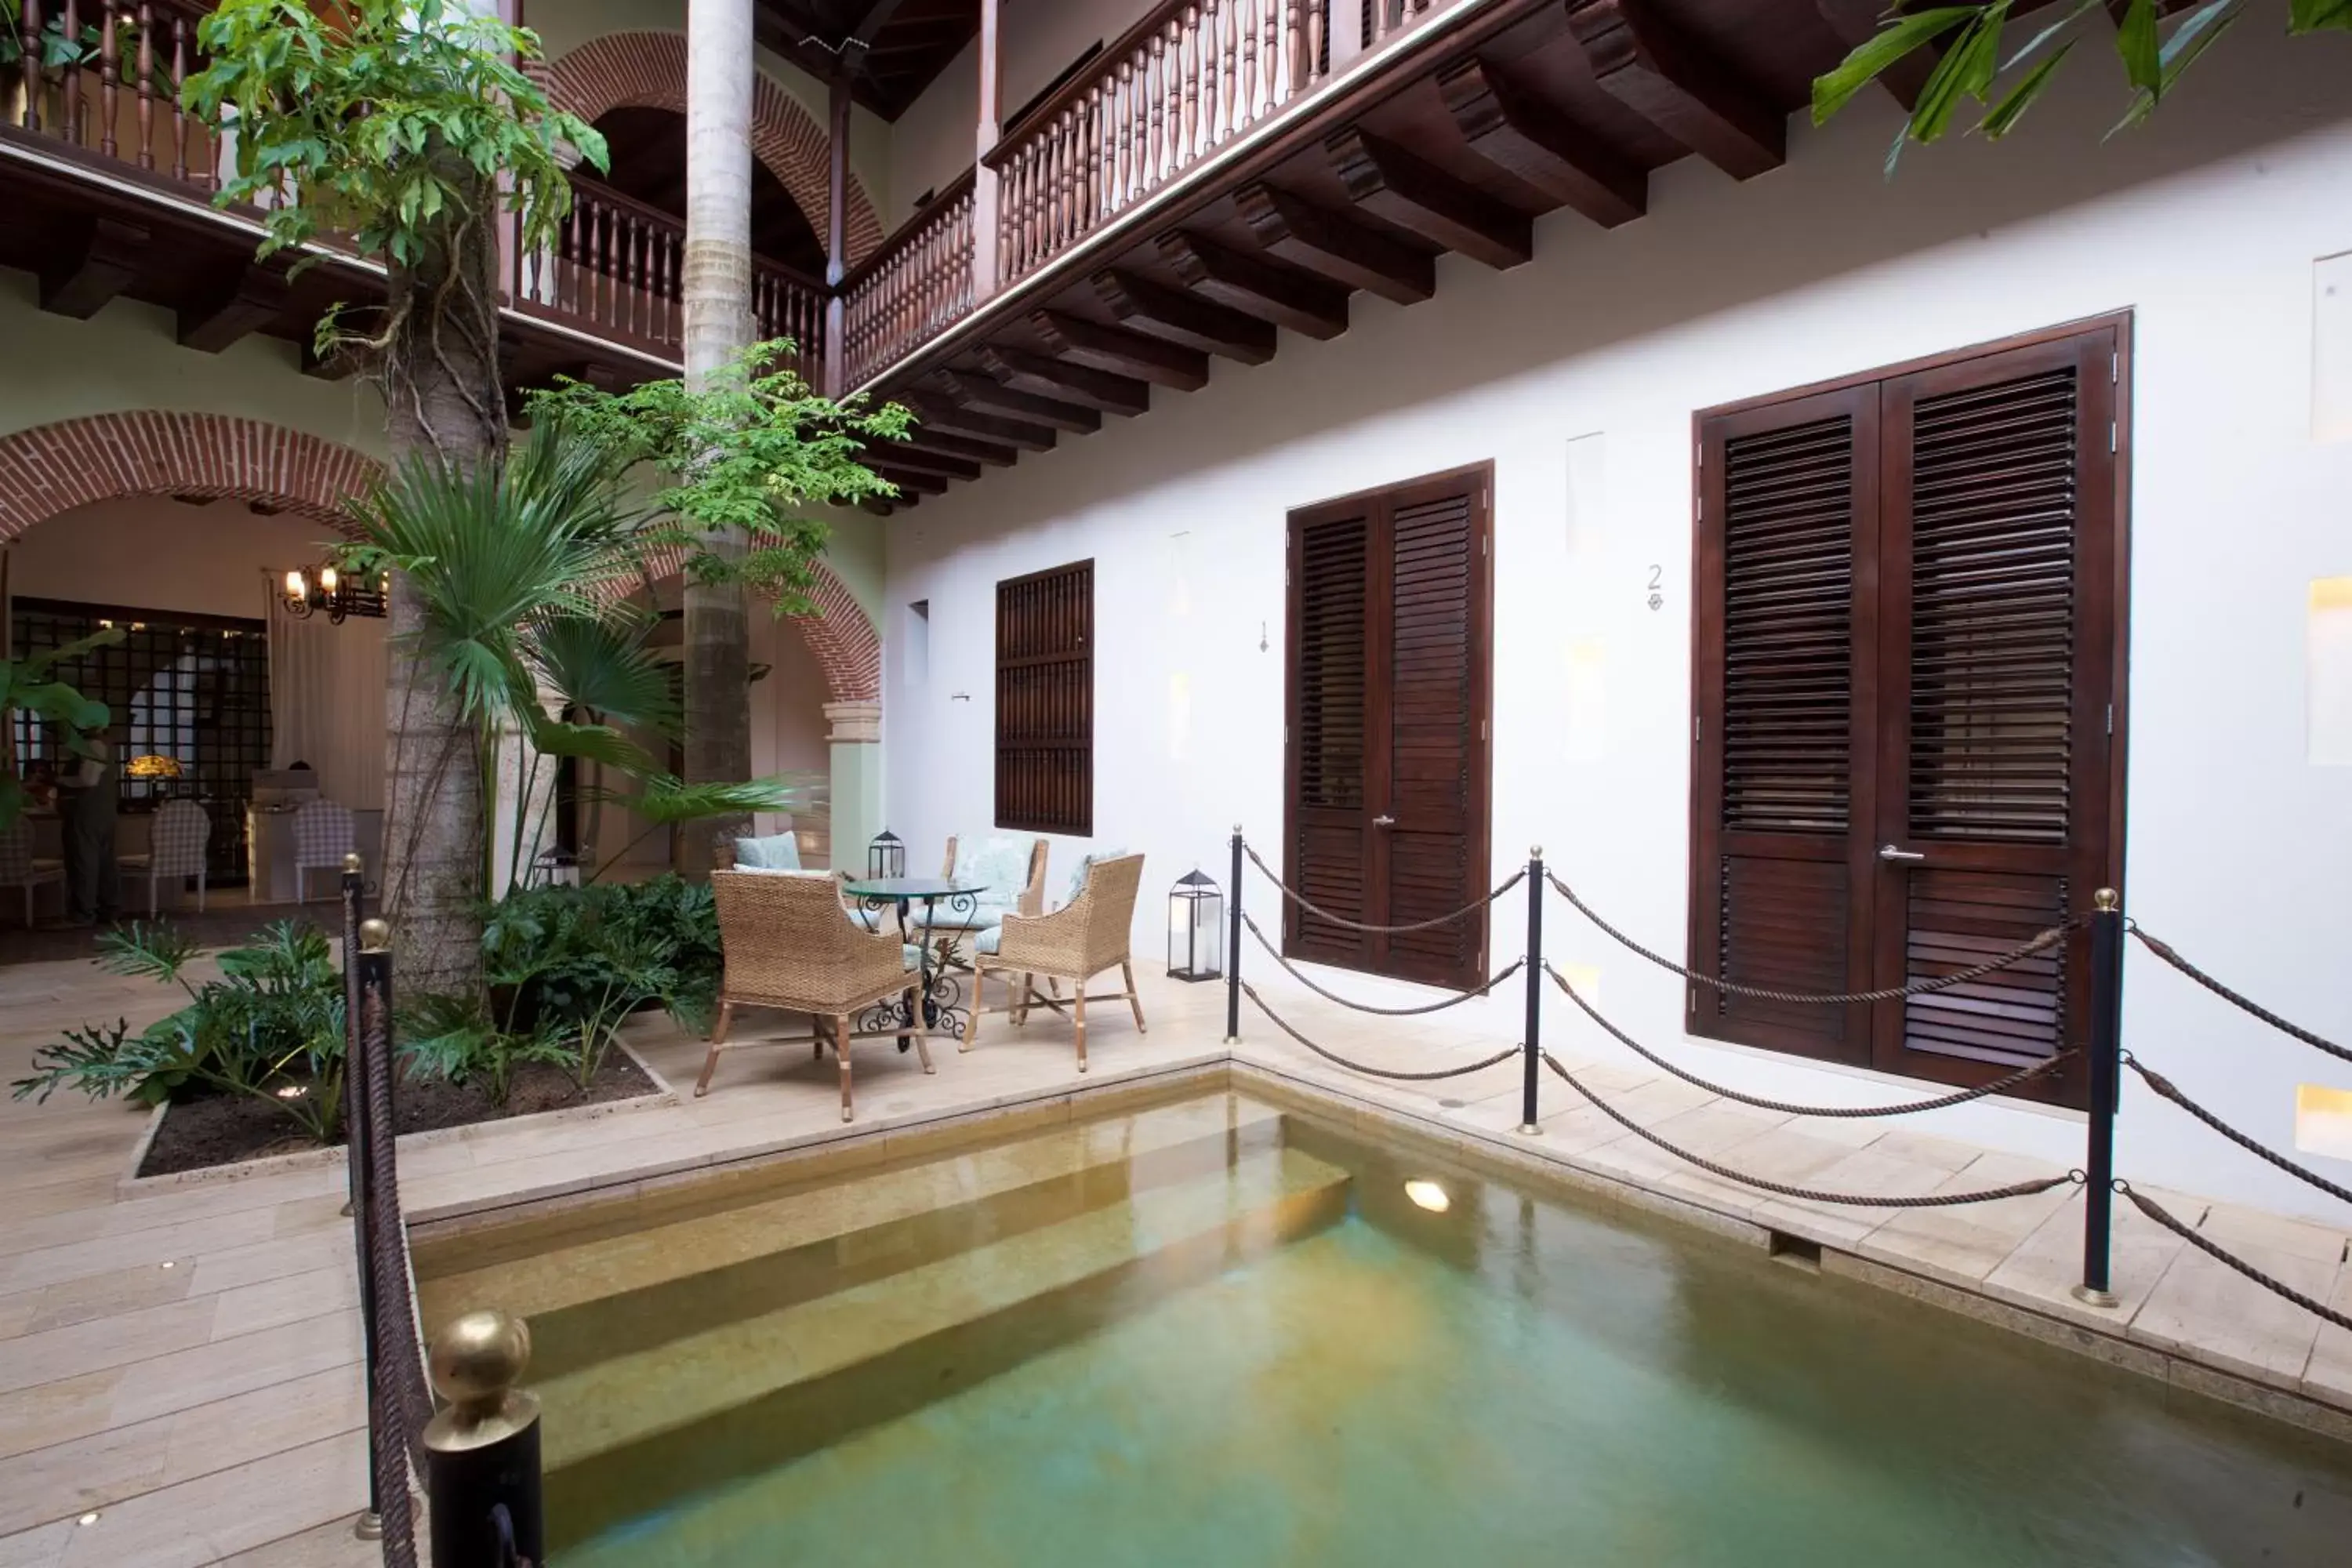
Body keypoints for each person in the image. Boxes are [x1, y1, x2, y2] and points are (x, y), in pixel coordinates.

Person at [54, 729, 119, 927]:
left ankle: (84, 913)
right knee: (105, 862)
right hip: (105, 812)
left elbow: (88, 780)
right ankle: (109, 910)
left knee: (84, 862)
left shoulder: (93, 746)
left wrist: (58, 780)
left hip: (87, 813)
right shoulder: (106, 746)